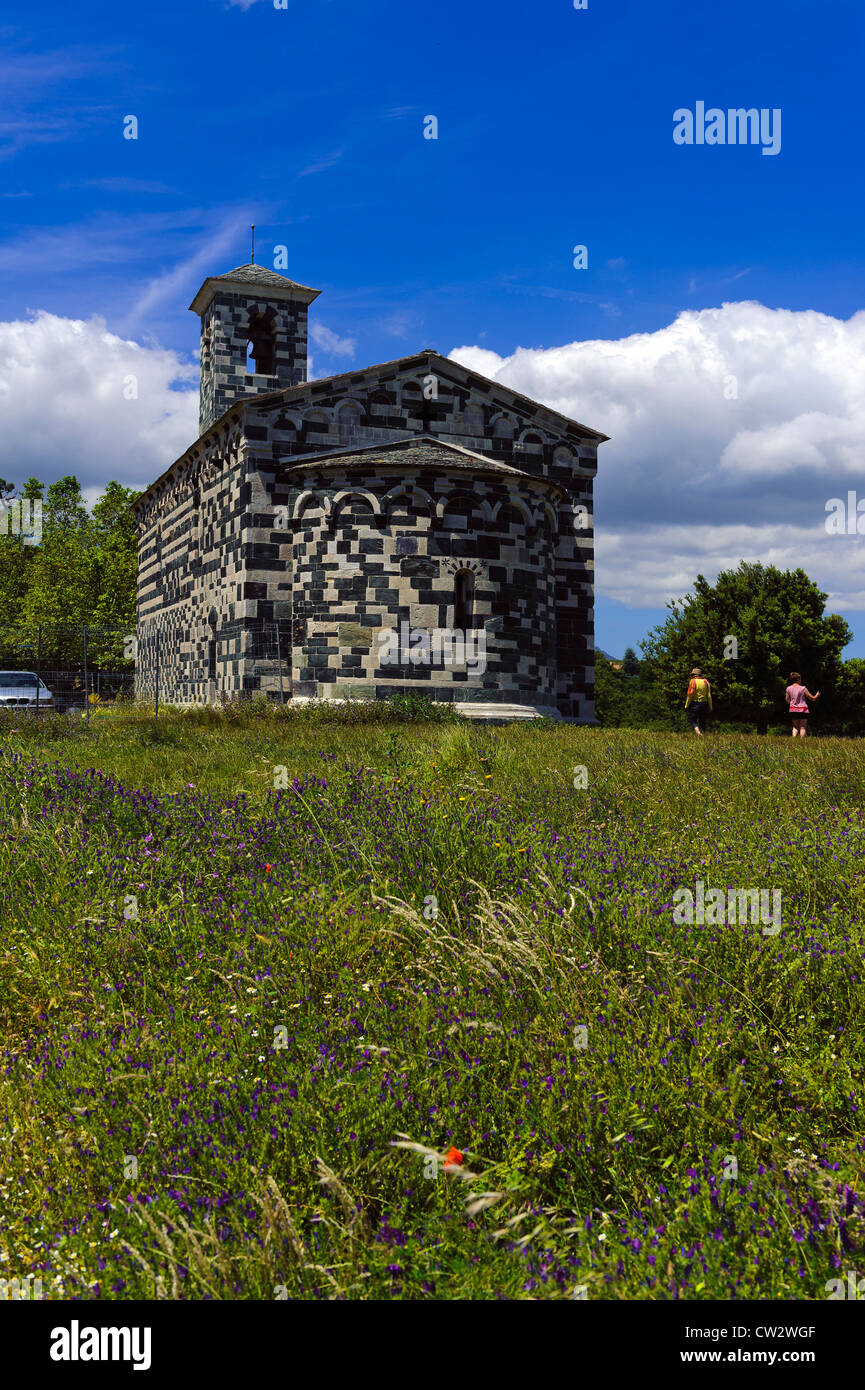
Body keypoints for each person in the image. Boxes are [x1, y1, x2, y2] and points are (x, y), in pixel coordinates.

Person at [786, 671, 819, 737]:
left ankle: (794, 739)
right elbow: (812, 698)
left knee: (795, 726)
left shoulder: (788, 688)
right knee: (802, 727)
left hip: (793, 710)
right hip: (803, 710)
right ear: (798, 679)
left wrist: (793, 703)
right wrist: (817, 695)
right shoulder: (803, 688)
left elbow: (787, 700)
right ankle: (802, 740)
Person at [684, 667, 712, 735]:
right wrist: (710, 706)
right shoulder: (706, 681)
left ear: (693, 674)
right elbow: (709, 695)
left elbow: (690, 694)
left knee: (692, 720)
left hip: (695, 703)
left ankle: (699, 734)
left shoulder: (692, 681)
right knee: (702, 721)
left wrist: (686, 705)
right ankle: (703, 735)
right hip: (704, 703)